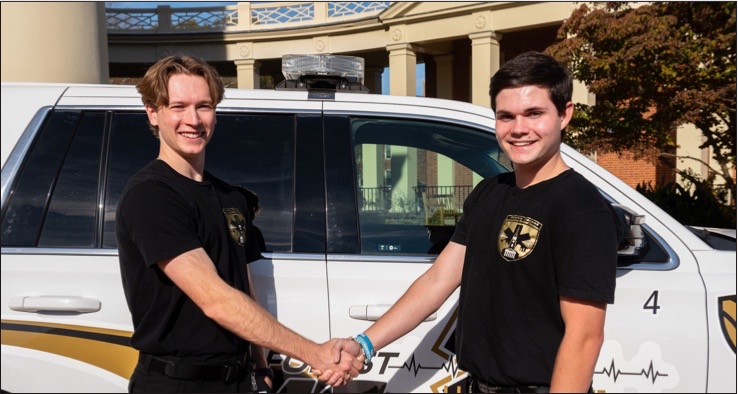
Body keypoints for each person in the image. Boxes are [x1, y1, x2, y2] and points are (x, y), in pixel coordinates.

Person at [322, 51, 619, 393]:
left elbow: (583, 337)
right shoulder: (488, 193)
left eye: (534, 114)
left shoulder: (582, 209)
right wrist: (365, 344)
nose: (519, 129)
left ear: (565, 114)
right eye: (506, 116)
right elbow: (436, 281)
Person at [116, 54, 361, 393]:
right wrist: (314, 354)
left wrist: (260, 364)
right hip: (177, 384)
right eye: (178, 106)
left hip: (238, 380)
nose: (193, 119)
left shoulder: (230, 198)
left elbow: (243, 285)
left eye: (204, 106)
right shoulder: (152, 195)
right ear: (152, 112)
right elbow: (217, 299)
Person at [235, 186, 267, 252]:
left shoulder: (254, 232)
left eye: (255, 208)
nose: (254, 212)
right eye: (252, 208)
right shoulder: (253, 232)